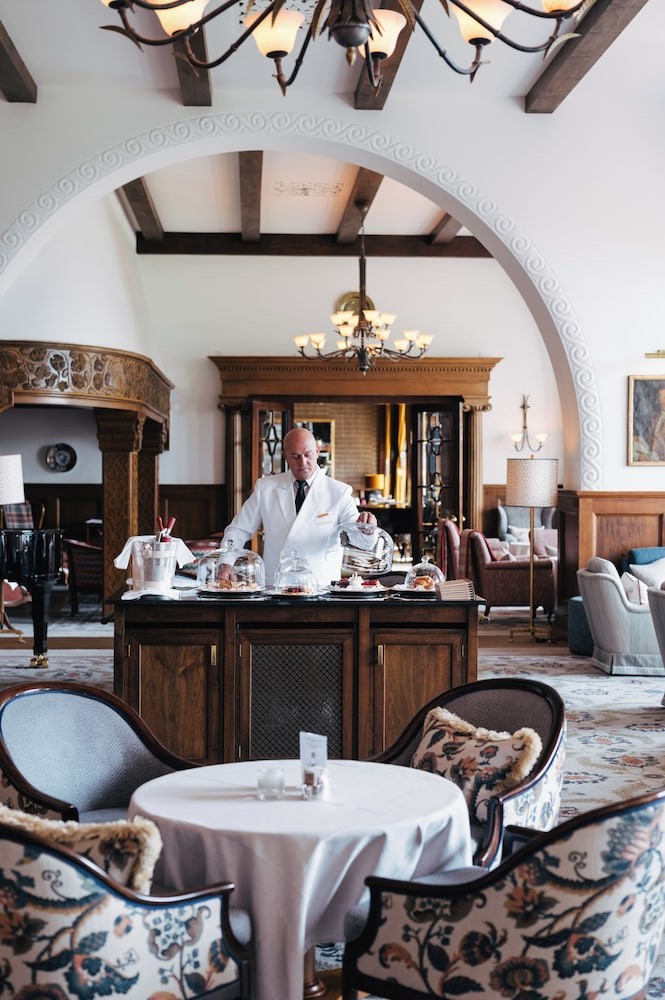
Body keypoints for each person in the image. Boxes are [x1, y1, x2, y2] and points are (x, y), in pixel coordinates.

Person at [220, 426, 376, 587]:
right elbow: (239, 529)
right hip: (277, 585)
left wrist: (367, 529)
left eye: (308, 455)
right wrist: (226, 562)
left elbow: (360, 540)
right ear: (285, 456)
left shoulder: (339, 492)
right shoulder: (265, 488)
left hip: (321, 587)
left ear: (317, 451)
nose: (303, 462)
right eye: (295, 456)